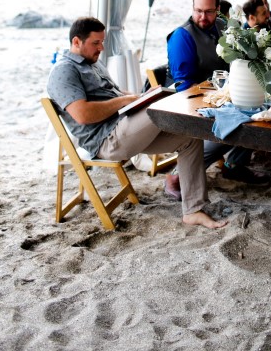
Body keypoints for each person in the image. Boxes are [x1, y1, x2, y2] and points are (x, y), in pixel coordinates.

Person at [47, 17, 227, 231]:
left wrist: (139, 96)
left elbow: (115, 94)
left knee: (189, 137)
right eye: (96, 43)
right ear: (76, 42)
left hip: (126, 127)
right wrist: (128, 101)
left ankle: (193, 211)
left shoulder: (93, 64)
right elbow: (83, 115)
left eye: (102, 42)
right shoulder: (64, 71)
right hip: (107, 140)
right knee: (163, 103)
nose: (101, 48)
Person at [168, 0, 268, 186]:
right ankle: (176, 175)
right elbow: (183, 85)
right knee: (232, 127)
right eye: (198, 11)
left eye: (209, 11)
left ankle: (234, 165)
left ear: (218, 9)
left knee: (260, 107)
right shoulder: (182, 36)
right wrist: (217, 101)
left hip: (225, 94)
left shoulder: (224, 26)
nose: (203, 17)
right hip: (194, 101)